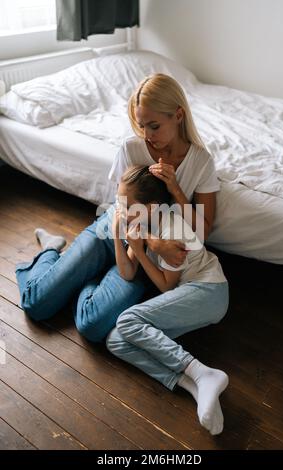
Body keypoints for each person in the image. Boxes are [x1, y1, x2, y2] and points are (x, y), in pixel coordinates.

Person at [15, 72, 221, 341]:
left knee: (95, 325)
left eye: (154, 125)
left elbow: (202, 231)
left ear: (178, 115)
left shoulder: (201, 162)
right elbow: (120, 208)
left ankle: (84, 277)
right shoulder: (132, 148)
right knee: (36, 305)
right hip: (113, 230)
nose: (147, 135)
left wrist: (176, 189)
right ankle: (51, 251)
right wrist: (153, 241)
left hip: (141, 256)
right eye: (141, 125)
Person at [107, 164, 229, 436]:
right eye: (119, 201)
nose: (120, 209)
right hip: (193, 293)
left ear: (150, 207)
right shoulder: (139, 224)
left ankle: (201, 372)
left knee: (128, 319)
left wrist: (138, 250)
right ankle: (194, 384)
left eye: (126, 204)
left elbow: (165, 286)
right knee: (116, 339)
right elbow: (127, 273)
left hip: (209, 291)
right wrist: (119, 235)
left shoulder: (172, 229)